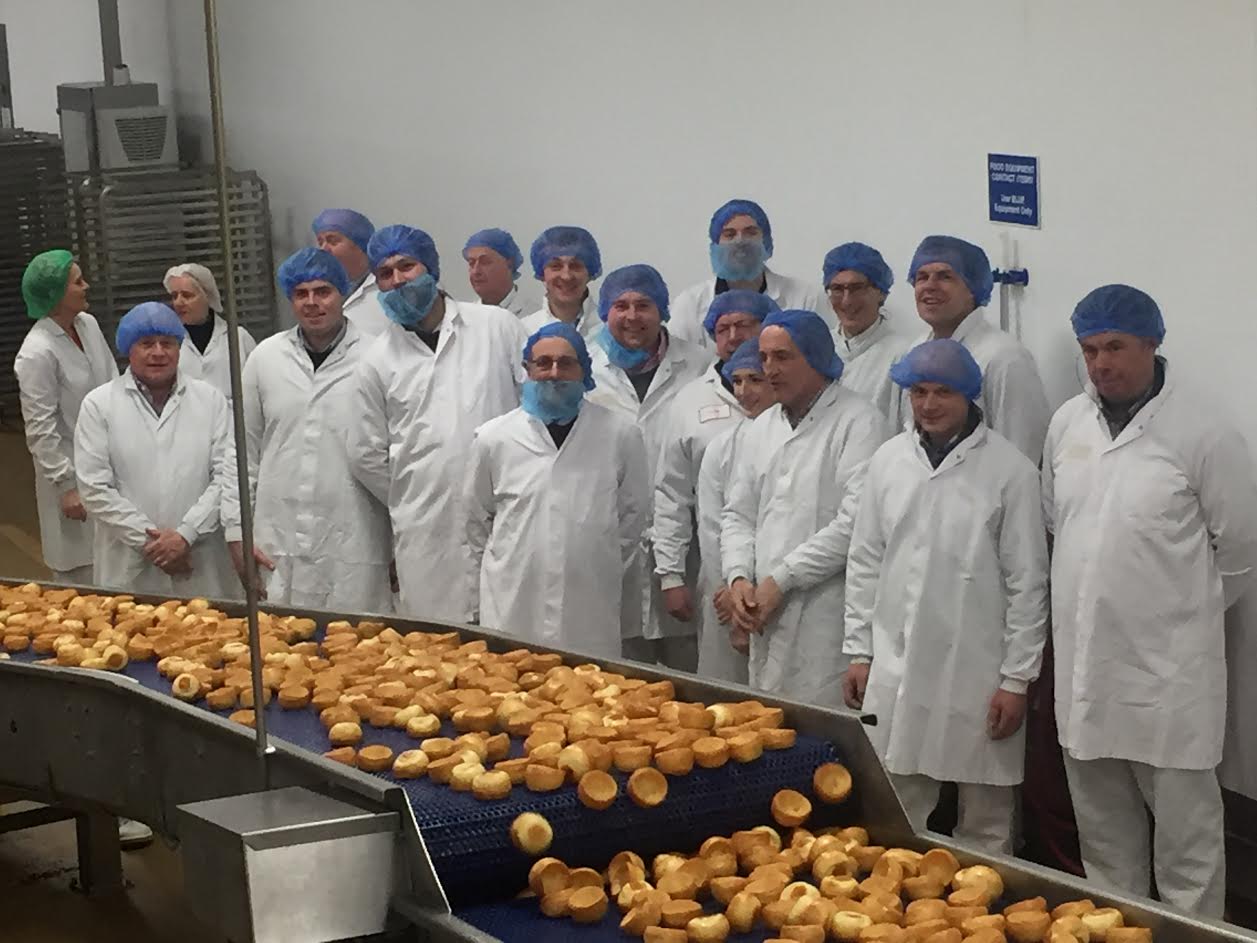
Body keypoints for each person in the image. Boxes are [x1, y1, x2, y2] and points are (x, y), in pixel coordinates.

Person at [1043, 285, 1257, 917]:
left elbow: (1239, 549)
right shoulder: (1067, 423)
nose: (1101, 363)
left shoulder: (1205, 431)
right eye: (1089, 349)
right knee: (1104, 837)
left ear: (1151, 344)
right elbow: (1059, 523)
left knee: (1187, 842)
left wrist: (1176, 618)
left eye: (1115, 347)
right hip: (1086, 668)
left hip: (1171, 676)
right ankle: (1117, 929)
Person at [842, 339, 1049, 854]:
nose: (929, 404)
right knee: (897, 804)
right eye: (919, 392)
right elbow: (865, 559)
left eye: (943, 393)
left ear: (969, 397)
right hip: (898, 663)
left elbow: (1028, 583)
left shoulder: (1010, 471)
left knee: (986, 818)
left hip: (979, 671)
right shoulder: (889, 461)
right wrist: (859, 651)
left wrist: (1017, 679)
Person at [347, 224, 526, 623]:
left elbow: (530, 412)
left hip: (509, 514)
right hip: (426, 528)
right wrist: (420, 486)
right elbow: (365, 454)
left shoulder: (497, 327)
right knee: (436, 652)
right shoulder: (376, 360)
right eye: (385, 274)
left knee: (519, 649)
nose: (397, 280)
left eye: (407, 266)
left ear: (431, 267)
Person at [722, 310, 885, 706]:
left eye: (783, 357)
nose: (770, 369)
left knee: (829, 737)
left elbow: (855, 523)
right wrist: (739, 577)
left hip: (829, 614)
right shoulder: (760, 428)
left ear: (814, 356)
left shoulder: (858, 421)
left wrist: (783, 578)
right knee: (770, 727)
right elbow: (738, 514)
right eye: (764, 358)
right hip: (764, 611)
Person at [222, 247, 392, 612]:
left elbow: (392, 455)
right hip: (276, 540)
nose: (312, 302)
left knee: (355, 652)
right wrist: (238, 531)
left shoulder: (379, 357)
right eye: (301, 294)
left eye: (323, 291)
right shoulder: (265, 358)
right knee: (279, 652)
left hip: (356, 540)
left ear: (343, 293)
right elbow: (241, 451)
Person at [466, 323, 649, 658]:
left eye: (566, 363)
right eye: (543, 363)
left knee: (589, 697)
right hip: (513, 600)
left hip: (589, 600)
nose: (554, 373)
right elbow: (476, 521)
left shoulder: (620, 434)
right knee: (513, 695)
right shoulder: (494, 438)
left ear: (585, 371)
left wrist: (590, 553)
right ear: (527, 371)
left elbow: (633, 516)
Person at [587, 264, 707, 669]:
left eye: (644, 305)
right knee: (619, 679)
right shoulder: (583, 365)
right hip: (609, 540)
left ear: (663, 311)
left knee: (690, 678)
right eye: (621, 305)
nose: (632, 316)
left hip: (685, 545)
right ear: (605, 311)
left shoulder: (700, 366)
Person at [73, 302, 236, 598]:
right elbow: (94, 488)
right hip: (129, 565)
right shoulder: (99, 405)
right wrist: (155, 545)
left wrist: (186, 535)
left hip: (199, 556)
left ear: (179, 348)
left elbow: (226, 477)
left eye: (168, 343)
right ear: (128, 349)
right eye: (147, 344)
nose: (158, 352)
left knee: (206, 636)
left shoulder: (210, 400)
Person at [654, 290, 777, 656]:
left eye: (746, 325)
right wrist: (675, 574)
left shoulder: (797, 414)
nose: (735, 336)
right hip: (719, 579)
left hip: (778, 582)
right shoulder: (690, 401)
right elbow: (674, 495)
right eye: (723, 328)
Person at [14, 251, 118, 585]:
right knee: (82, 574)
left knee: (117, 562)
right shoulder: (37, 352)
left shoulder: (88, 325)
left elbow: (113, 382)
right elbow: (40, 429)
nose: (86, 286)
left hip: (109, 460)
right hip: (71, 471)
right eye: (78, 282)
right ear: (56, 294)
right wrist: (66, 487)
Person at [902, 236, 1050, 464]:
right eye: (922, 277)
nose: (930, 286)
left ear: (973, 288)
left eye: (945, 276)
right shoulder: (918, 349)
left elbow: (1022, 455)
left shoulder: (1005, 357)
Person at [693, 338, 777, 683]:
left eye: (755, 380)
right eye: (737, 381)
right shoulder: (722, 448)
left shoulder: (797, 439)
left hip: (776, 591)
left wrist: (757, 592)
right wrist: (732, 588)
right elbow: (713, 527)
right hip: (728, 594)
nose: (743, 391)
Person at [670, 199, 824, 351]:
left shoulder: (807, 298)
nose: (740, 241)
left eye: (750, 233)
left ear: (766, 241)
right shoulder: (688, 305)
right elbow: (681, 364)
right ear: (715, 246)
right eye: (729, 235)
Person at [824, 242, 909, 424]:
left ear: (881, 293)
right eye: (837, 289)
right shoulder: (818, 347)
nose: (847, 301)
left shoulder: (903, 356)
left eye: (857, 288)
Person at [164, 262, 256, 402]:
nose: (178, 302)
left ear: (207, 296)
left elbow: (256, 390)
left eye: (187, 295)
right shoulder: (168, 342)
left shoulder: (238, 338)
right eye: (174, 296)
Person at [520, 226, 603, 345]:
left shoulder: (610, 330)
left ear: (590, 272)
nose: (566, 276)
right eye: (555, 266)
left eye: (575, 266)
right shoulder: (523, 331)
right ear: (541, 274)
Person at [313, 208, 390, 336]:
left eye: (332, 241)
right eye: (320, 242)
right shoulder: (320, 291)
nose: (323, 249)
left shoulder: (389, 290)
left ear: (360, 244)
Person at [463, 228, 536, 317]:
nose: (476, 271)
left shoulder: (534, 316)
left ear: (509, 264)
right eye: (471, 263)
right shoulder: (466, 317)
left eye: (485, 262)